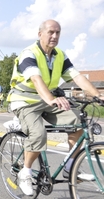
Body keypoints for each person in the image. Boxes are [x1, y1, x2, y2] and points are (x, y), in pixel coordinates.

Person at [6, 19, 104, 196]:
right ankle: (25, 173)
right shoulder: (29, 53)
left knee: (77, 122)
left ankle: (70, 167)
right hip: (25, 101)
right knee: (38, 133)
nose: (54, 36)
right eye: (51, 32)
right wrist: (52, 99)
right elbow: (36, 79)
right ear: (40, 34)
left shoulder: (59, 55)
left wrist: (98, 95)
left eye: (58, 32)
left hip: (47, 100)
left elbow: (77, 77)